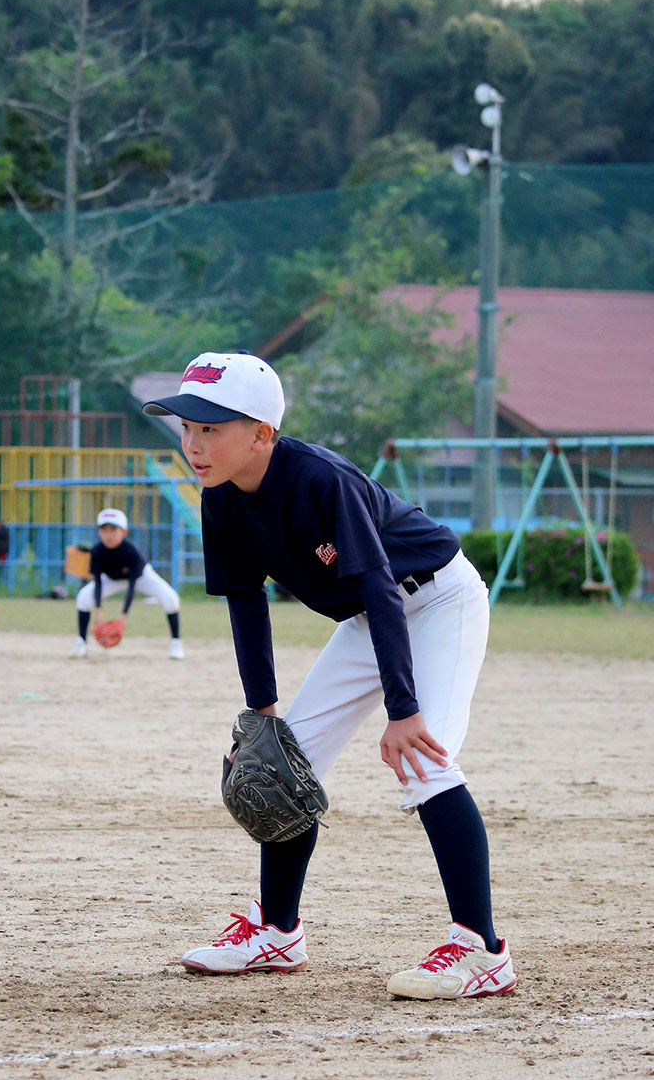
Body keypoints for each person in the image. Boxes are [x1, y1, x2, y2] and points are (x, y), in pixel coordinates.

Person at [143, 351, 515, 1000]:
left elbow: (377, 583)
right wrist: (262, 713)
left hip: (436, 599)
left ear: (261, 434)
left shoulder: (319, 479)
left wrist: (404, 711)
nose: (194, 445)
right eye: (187, 428)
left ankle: (482, 950)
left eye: (211, 428)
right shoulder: (220, 498)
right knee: (284, 762)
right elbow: (244, 601)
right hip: (372, 618)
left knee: (426, 758)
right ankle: (277, 932)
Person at [69, 507, 184, 660]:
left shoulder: (131, 551)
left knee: (171, 599)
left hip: (141, 577)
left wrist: (122, 618)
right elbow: (98, 582)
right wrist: (98, 613)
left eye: (113, 529)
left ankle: (175, 643)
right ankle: (81, 642)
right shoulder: (97, 551)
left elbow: (131, 587)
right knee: (83, 597)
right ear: (99, 532)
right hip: (112, 579)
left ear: (124, 532)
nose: (108, 534)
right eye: (104, 530)